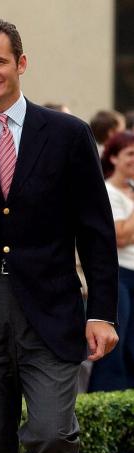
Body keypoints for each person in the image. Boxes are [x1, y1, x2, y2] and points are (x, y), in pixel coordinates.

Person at [0, 18, 119, 453]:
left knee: (53, 433)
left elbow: (96, 230)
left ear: (21, 63)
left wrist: (102, 313)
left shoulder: (68, 134)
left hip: (52, 309)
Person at [88, 131, 134, 392]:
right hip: (120, 277)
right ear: (114, 158)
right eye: (129, 154)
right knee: (115, 353)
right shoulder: (108, 191)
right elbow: (120, 236)